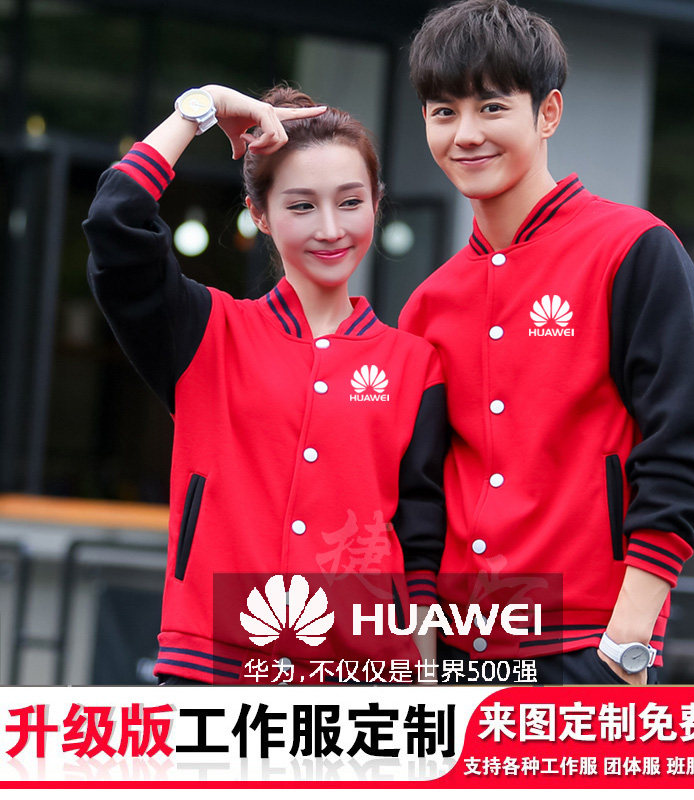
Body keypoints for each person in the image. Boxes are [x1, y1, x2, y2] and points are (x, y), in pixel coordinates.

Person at [399, 0, 694, 685]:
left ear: (547, 113)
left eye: (491, 107)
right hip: (456, 655)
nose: (466, 134)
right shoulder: (428, 305)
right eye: (443, 111)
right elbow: (419, 496)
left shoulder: (634, 250)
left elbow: (681, 449)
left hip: (589, 645)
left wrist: (629, 637)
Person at [83, 84, 447, 684]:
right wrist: (197, 110)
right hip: (211, 669)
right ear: (259, 214)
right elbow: (114, 219)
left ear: (376, 204)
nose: (330, 228)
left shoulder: (416, 364)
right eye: (301, 206)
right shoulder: (204, 333)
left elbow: (421, 541)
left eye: (350, 202)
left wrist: (423, 684)